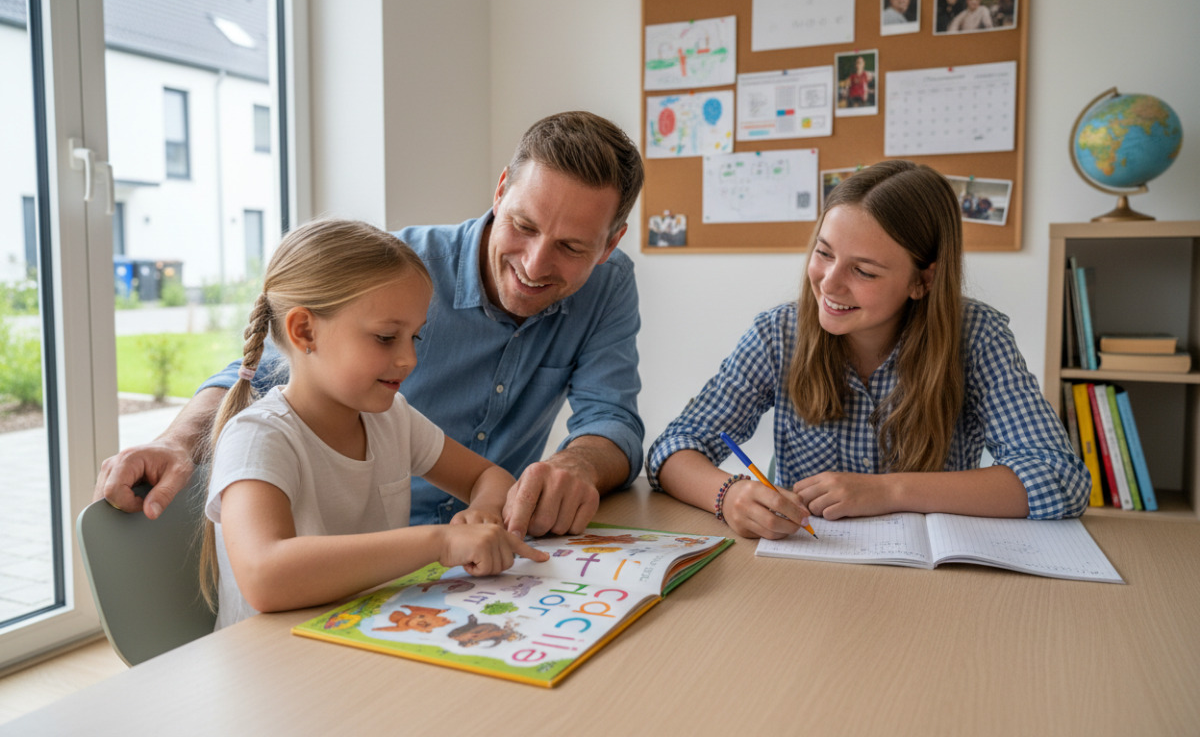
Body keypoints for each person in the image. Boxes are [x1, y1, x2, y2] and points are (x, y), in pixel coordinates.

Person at [96, 111, 646, 538]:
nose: (534, 264)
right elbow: (260, 367)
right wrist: (177, 440)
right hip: (363, 554)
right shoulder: (400, 270)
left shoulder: (609, 285)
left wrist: (575, 465)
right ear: (501, 190)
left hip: (487, 544)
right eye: (522, 226)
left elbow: (612, 420)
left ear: (610, 243)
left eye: (572, 247)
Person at [646, 160, 1090, 540]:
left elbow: (1059, 476)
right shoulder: (779, 333)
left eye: (864, 271)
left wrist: (888, 490)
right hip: (804, 570)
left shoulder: (976, 337)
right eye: (824, 253)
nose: (829, 283)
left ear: (923, 280)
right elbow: (673, 447)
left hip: (932, 580)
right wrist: (729, 496)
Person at [201, 219, 547, 628]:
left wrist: (483, 512)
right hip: (275, 670)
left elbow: (488, 477)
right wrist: (440, 541)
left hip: (369, 638)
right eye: (386, 338)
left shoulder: (391, 418)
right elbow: (265, 577)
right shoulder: (259, 437)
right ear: (304, 330)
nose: (409, 360)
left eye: (414, 338)